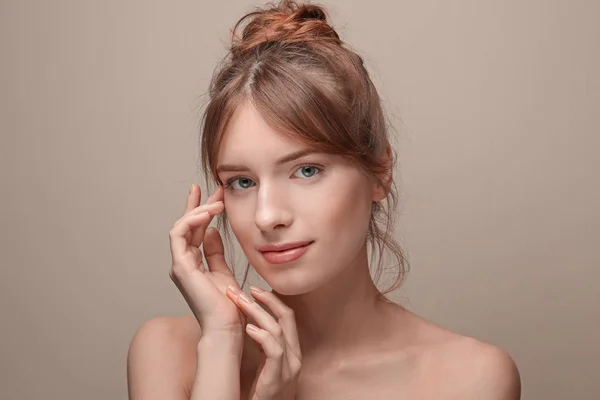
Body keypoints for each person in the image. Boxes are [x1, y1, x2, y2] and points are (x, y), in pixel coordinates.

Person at [126, 1, 521, 399]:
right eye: (242, 181)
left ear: (380, 172)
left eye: (307, 170)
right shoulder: (169, 351)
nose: (267, 216)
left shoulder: (469, 379)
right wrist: (221, 343)